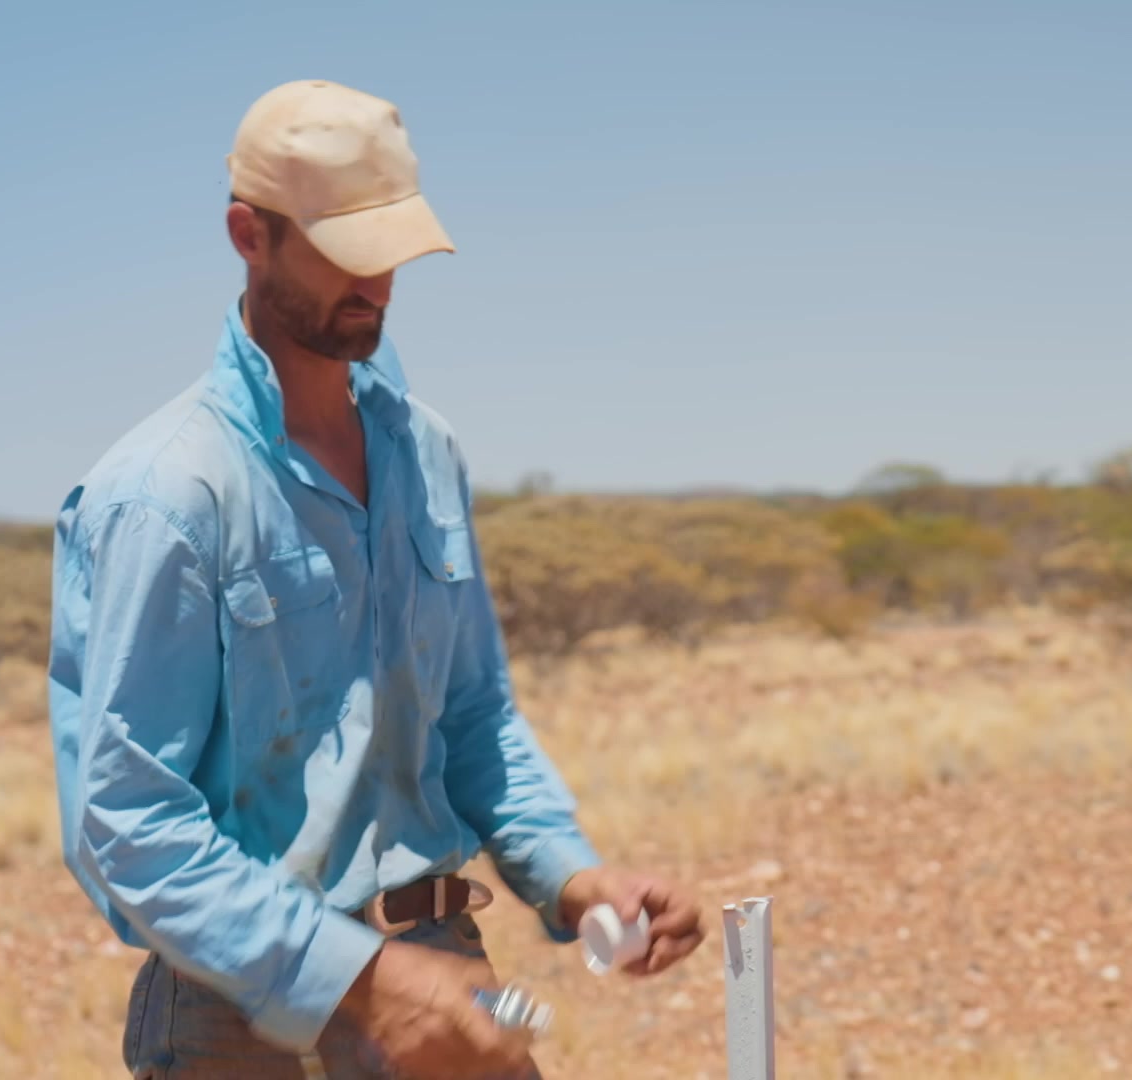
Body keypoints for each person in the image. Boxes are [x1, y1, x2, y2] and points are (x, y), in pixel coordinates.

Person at [46, 79, 706, 1079]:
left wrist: (574, 880)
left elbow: (473, 714)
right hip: (242, 1021)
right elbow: (128, 824)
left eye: (390, 248)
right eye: (345, 250)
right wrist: (354, 979)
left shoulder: (425, 453)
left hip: (444, 974)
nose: (377, 283)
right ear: (249, 235)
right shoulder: (165, 494)